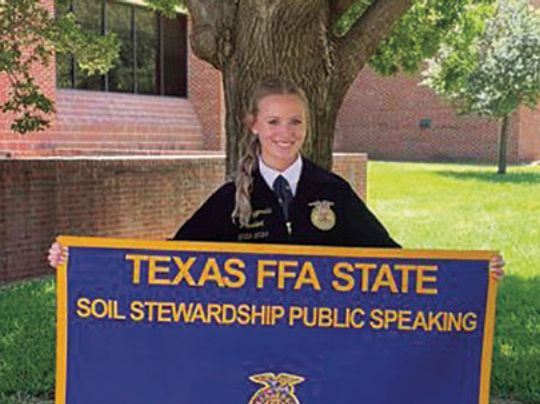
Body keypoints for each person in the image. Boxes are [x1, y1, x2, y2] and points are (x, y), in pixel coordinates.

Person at [48, 77, 504, 278]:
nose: (285, 134)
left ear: (307, 125)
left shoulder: (332, 191)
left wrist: (468, 275)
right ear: (253, 125)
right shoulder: (231, 198)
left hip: (323, 342)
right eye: (274, 123)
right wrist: (82, 262)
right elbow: (169, 263)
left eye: (295, 123)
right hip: (253, 346)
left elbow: (392, 261)